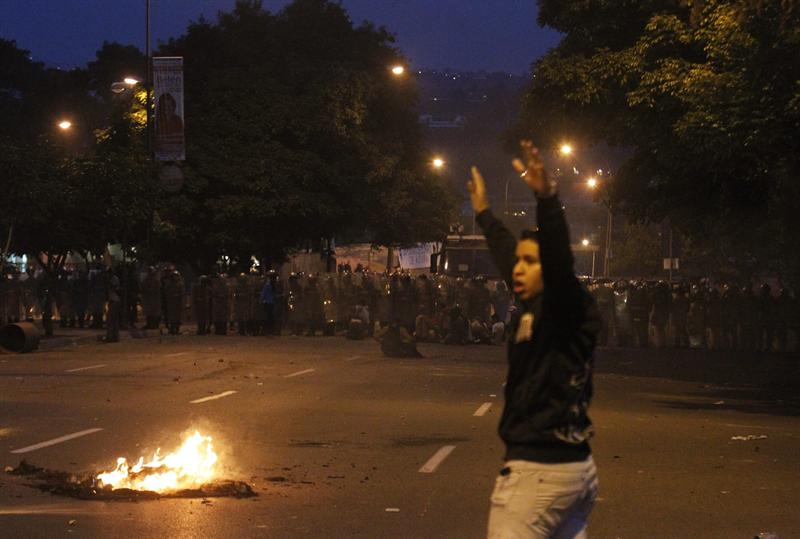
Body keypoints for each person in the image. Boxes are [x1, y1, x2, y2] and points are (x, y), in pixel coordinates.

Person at [469, 140, 601, 539]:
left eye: (531, 263)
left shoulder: (563, 306)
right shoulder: (537, 301)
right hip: (573, 473)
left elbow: (558, 261)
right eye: (519, 263)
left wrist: (547, 199)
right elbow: (511, 254)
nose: (518, 269)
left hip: (539, 478)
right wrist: (484, 214)